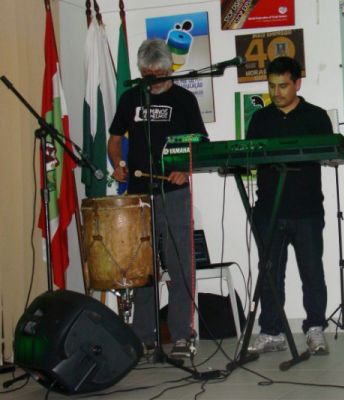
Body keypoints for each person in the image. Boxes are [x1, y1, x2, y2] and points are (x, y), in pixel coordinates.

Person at [108, 39, 208, 358]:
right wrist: (117, 164)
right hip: (140, 194)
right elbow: (114, 140)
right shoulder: (130, 98)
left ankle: (182, 335)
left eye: (158, 74)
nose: (153, 79)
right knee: (143, 268)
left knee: (179, 265)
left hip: (174, 193)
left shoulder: (184, 99)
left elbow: (200, 143)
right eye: (147, 74)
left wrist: (184, 170)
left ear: (169, 69)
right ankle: (144, 336)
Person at [246, 56, 332, 355]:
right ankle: (271, 332)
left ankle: (315, 328)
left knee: (312, 271)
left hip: (307, 209)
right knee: (270, 273)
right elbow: (250, 158)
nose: (276, 92)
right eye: (272, 86)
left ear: (297, 83)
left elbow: (327, 152)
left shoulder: (316, 116)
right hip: (268, 209)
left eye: (283, 86)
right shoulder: (260, 119)